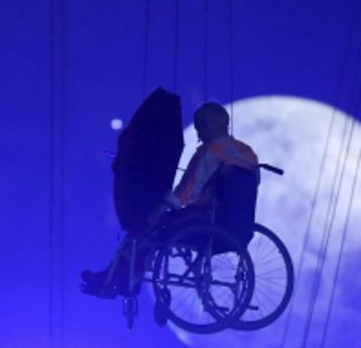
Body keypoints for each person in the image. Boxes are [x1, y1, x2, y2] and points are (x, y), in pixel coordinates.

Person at [81, 102, 259, 300]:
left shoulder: (210, 153)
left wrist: (158, 208)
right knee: (157, 225)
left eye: (200, 128)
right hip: (238, 228)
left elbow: (186, 193)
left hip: (205, 222)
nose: (199, 135)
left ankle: (117, 278)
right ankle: (120, 276)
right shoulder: (248, 154)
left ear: (209, 126)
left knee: (146, 226)